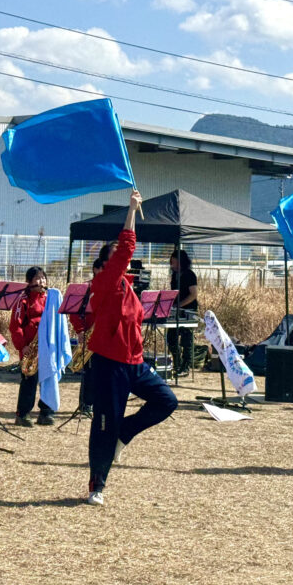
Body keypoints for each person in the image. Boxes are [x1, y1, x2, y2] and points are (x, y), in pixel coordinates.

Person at [85, 190, 178, 506]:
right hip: (109, 364)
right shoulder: (103, 283)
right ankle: (97, 484)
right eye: (114, 259)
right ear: (104, 265)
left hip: (134, 363)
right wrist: (132, 210)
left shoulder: (125, 286)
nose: (122, 261)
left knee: (167, 401)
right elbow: (126, 245)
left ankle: (123, 434)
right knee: (104, 426)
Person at [9, 266, 54, 426]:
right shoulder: (22, 300)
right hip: (30, 347)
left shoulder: (50, 298)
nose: (42, 281)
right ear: (29, 281)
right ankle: (22, 414)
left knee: (48, 380)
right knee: (29, 381)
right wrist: (23, 346)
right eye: (37, 278)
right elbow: (15, 326)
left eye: (43, 277)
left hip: (47, 347)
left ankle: (46, 413)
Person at [68, 258, 103, 418]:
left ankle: (100, 403)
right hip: (90, 335)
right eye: (102, 268)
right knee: (90, 371)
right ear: (95, 269)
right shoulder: (85, 288)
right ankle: (86, 404)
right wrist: (80, 331)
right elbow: (74, 312)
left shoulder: (112, 287)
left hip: (105, 336)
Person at [167, 249, 198, 375]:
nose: (172, 265)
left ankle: (186, 366)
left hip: (189, 310)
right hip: (176, 310)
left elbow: (193, 294)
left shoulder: (190, 275)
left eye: (174, 262)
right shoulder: (174, 276)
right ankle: (177, 362)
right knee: (171, 337)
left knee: (186, 339)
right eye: (171, 263)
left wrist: (180, 305)